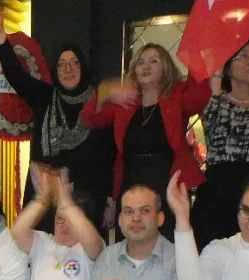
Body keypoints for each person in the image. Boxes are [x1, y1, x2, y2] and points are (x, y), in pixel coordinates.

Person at [0, 7, 114, 236]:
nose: (68, 69)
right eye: (62, 64)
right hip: (45, 202)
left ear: (83, 67)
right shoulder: (44, 97)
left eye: (74, 63)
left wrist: (111, 200)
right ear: (55, 69)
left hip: (87, 201)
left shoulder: (98, 102)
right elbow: (15, 74)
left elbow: (110, 156)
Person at [80, 43, 210, 241]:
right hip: (130, 186)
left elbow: (200, 96)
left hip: (166, 187)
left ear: (165, 69)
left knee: (167, 246)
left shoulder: (176, 96)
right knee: (130, 245)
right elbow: (89, 119)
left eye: (153, 61)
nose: (146, 66)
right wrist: (106, 89)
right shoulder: (126, 103)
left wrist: (194, 52)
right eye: (140, 62)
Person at [192, 40, 249, 250]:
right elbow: (209, 121)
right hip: (219, 193)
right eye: (244, 56)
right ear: (228, 66)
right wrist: (215, 81)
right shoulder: (217, 103)